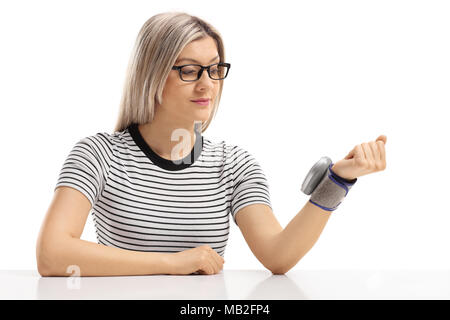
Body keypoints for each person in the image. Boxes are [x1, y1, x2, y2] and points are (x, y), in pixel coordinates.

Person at [36, 11, 387, 278]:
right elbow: (52, 254)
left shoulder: (234, 164)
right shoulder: (97, 155)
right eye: (189, 71)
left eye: (215, 69)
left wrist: (338, 181)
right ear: (152, 74)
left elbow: (278, 256)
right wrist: (172, 263)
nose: (207, 85)